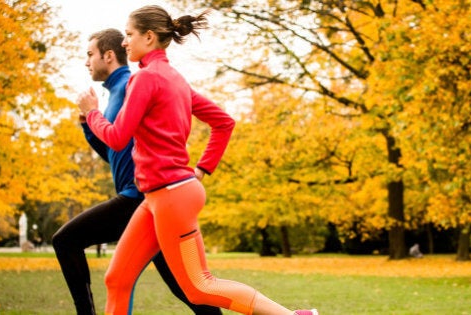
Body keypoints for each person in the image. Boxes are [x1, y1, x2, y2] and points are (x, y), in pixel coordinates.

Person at [77, 6, 318, 315]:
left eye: (129, 35)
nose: (124, 42)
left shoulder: (146, 79)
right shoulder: (174, 79)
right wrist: (202, 169)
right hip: (158, 198)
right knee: (117, 278)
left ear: (148, 37)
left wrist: (92, 112)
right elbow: (224, 122)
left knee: (199, 286)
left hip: (172, 197)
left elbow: (117, 137)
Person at [53, 28, 222, 315]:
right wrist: (89, 124)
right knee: (187, 288)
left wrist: (201, 168)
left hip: (142, 198)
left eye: (90, 54)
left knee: (66, 241)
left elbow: (119, 140)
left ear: (108, 56)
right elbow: (115, 153)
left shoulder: (134, 84)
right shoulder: (117, 94)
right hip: (151, 201)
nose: (87, 62)